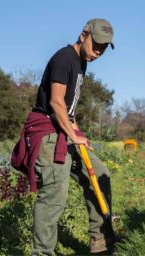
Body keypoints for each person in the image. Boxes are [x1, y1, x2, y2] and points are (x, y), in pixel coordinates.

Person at [11, 18, 116, 255]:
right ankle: (43, 252)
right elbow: (56, 102)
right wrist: (72, 135)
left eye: (103, 47)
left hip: (63, 130)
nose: (98, 52)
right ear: (83, 35)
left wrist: (78, 134)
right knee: (55, 193)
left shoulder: (81, 63)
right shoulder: (64, 58)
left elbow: (68, 111)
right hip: (48, 133)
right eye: (96, 44)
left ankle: (99, 240)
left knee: (99, 173)